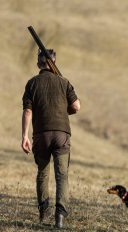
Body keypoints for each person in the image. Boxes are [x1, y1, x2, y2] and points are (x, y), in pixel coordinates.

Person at [21, 49, 80, 228]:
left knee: (43, 173)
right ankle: (60, 217)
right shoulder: (64, 82)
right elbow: (76, 106)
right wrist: (65, 109)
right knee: (62, 175)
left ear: (39, 64)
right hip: (62, 135)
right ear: (54, 62)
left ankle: (44, 212)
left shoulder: (32, 83)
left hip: (41, 135)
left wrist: (24, 135)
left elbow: (28, 111)